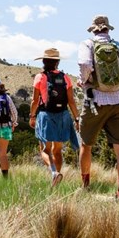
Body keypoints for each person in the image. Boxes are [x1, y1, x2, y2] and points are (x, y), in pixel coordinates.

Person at [77, 15, 119, 200]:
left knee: (86, 144)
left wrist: (84, 80)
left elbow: (84, 64)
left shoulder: (87, 45)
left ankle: (86, 185)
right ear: (108, 29)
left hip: (94, 100)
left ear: (93, 29)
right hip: (118, 102)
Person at [29, 48, 80, 187]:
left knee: (45, 149)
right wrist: (76, 119)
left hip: (45, 115)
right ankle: (56, 179)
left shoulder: (40, 77)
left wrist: (32, 116)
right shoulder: (65, 77)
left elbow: (34, 101)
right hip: (63, 115)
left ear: (44, 61)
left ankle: (54, 173)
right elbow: (71, 101)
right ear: (57, 62)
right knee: (57, 150)